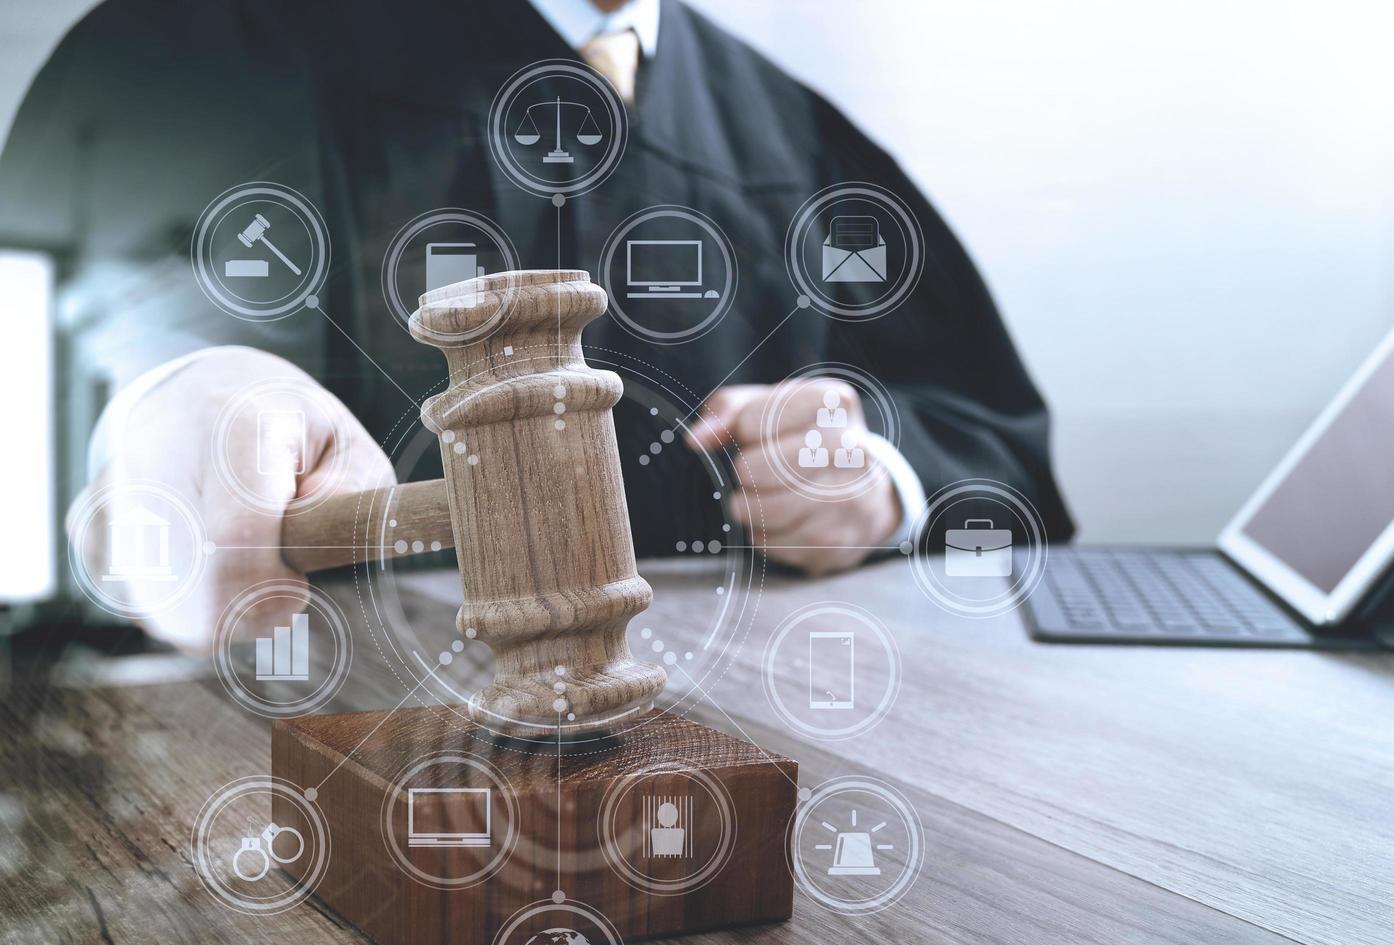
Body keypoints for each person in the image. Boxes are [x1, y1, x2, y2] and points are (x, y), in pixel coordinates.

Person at [0, 0, 1074, 651]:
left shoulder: (793, 130)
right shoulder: (186, 50)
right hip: (312, 793)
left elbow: (996, 440)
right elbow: (66, 371)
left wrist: (877, 474)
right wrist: (153, 405)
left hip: (719, 770)